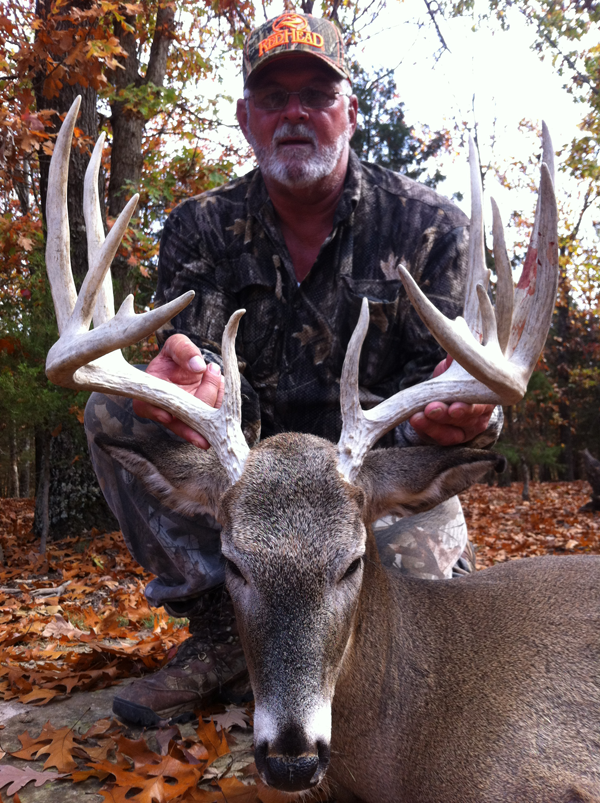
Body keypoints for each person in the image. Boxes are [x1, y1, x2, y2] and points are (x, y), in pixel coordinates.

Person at [85, 11, 500, 727]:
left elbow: (468, 383)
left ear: (351, 113)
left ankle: (363, 635)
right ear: (247, 119)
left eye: (317, 94)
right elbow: (193, 359)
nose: (295, 113)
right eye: (274, 98)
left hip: (370, 475)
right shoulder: (200, 227)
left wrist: (473, 409)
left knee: (425, 627)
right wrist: (181, 383)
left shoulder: (430, 226)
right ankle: (222, 629)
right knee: (112, 411)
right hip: (250, 479)